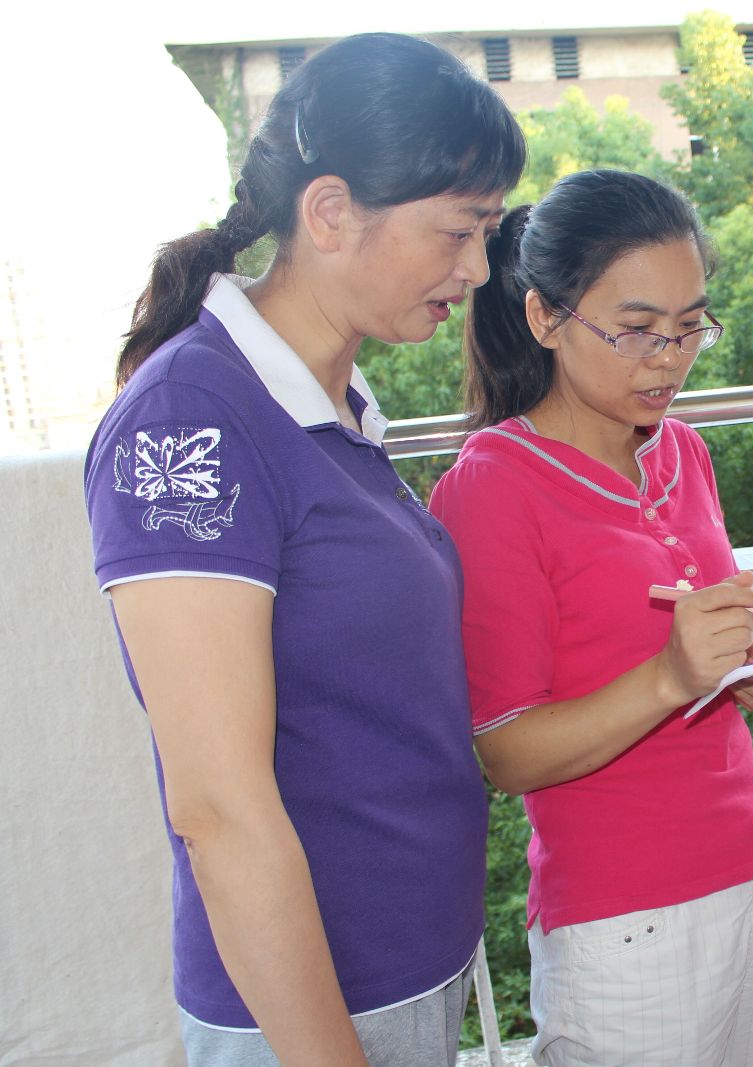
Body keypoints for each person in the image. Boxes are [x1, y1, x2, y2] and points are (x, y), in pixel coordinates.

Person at [82, 33, 525, 1066]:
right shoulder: (191, 421)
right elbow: (218, 807)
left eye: (488, 234)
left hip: (406, 966)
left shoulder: (337, 406)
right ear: (329, 212)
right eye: (459, 231)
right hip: (312, 1012)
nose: (476, 269)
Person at [427, 168, 753, 1066]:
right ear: (545, 318)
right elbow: (506, 751)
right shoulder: (491, 488)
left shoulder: (683, 451)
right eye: (636, 329)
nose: (668, 359)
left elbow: (682, 647)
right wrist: (671, 676)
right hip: (628, 922)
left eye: (690, 327)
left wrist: (750, 667)